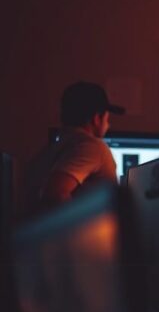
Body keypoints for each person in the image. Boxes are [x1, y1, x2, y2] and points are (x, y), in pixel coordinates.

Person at [22, 81, 123, 213]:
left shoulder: (50, 150)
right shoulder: (92, 147)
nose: (108, 125)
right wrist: (82, 232)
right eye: (107, 119)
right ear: (96, 118)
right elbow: (55, 193)